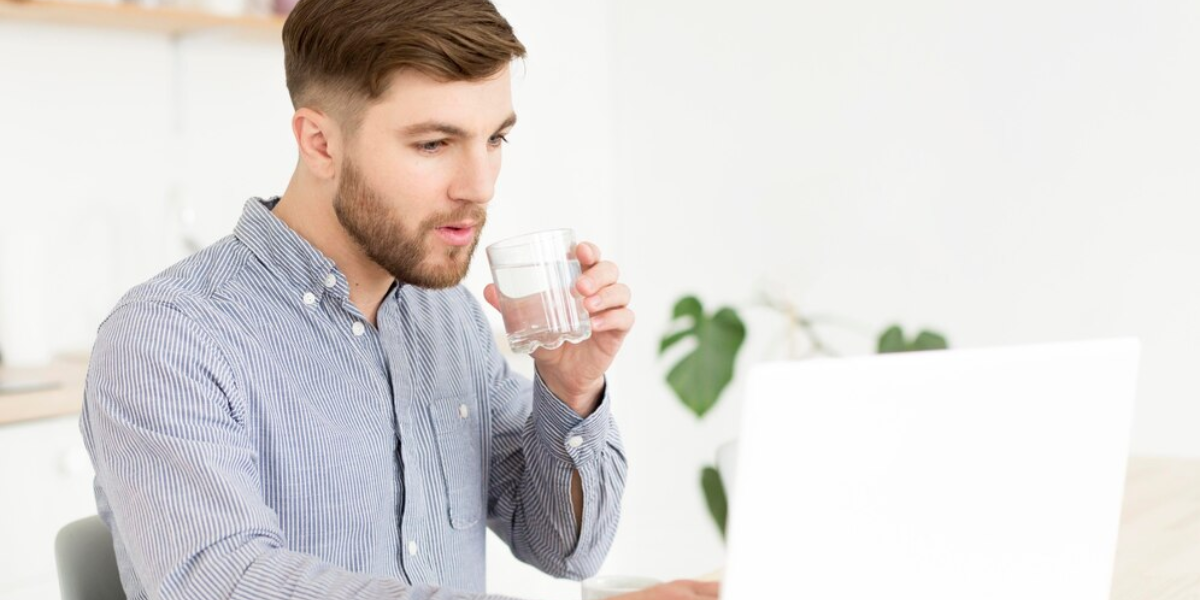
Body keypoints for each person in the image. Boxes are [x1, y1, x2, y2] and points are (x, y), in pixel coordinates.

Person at [80, 0, 719, 598]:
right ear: (320, 143)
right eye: (434, 144)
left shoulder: (449, 319)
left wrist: (570, 391)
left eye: (495, 139)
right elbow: (223, 582)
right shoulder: (169, 338)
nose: (478, 187)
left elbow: (562, 549)